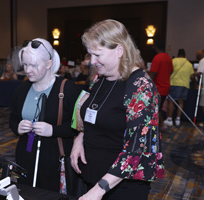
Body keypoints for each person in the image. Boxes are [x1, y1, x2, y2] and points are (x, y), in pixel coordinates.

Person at [70, 19, 164, 200]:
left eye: (97, 55)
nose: (92, 62)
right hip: (93, 178)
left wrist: (98, 191)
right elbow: (93, 115)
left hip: (121, 187)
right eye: (90, 55)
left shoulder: (141, 87)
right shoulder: (101, 78)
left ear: (119, 51)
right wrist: (79, 139)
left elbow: (137, 150)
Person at [9, 38, 81, 193]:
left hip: (54, 162)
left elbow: (78, 127)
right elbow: (13, 119)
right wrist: (18, 127)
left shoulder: (67, 90)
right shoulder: (21, 90)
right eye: (25, 64)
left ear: (49, 63)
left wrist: (53, 131)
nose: (27, 70)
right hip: (25, 157)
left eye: (33, 65)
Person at [164, 49, 194, 126]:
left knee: (171, 101)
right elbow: (192, 76)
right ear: (185, 55)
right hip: (185, 85)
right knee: (181, 102)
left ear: (178, 54)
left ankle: (170, 119)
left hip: (175, 83)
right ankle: (178, 119)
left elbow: (168, 71)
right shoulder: (189, 64)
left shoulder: (174, 61)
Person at [149, 40, 173, 129]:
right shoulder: (168, 57)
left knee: (155, 108)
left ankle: (162, 125)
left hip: (158, 88)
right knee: (157, 108)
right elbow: (171, 70)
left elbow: (153, 73)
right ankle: (161, 125)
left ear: (156, 47)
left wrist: (147, 83)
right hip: (166, 87)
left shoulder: (157, 58)